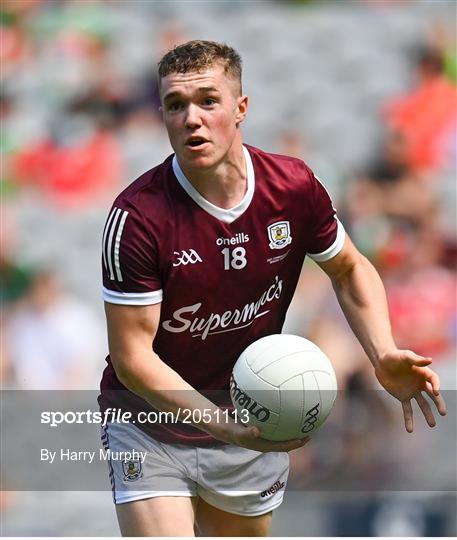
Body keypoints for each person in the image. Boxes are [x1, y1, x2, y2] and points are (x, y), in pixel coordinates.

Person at [99, 40, 447, 537]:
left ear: (241, 108)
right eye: (176, 105)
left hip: (254, 421)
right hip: (152, 425)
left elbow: (349, 268)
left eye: (208, 101)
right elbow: (132, 357)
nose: (191, 118)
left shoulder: (293, 186)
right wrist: (216, 422)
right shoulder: (137, 218)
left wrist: (382, 351)